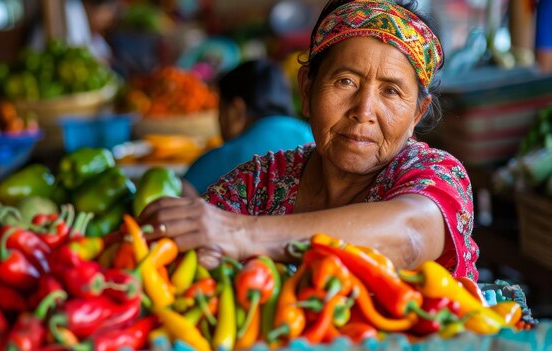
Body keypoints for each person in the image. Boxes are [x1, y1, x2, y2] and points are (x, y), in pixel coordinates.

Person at [139, 0, 478, 280]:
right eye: (345, 81)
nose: (364, 110)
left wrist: (242, 235)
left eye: (391, 91)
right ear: (306, 89)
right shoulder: (261, 182)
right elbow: (193, 258)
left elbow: (409, 238)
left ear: (417, 115)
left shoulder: (435, 174)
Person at [183, 59, 314, 194]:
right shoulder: (312, 136)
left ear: (236, 109)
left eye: (221, 110)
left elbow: (180, 192)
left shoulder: (228, 154)